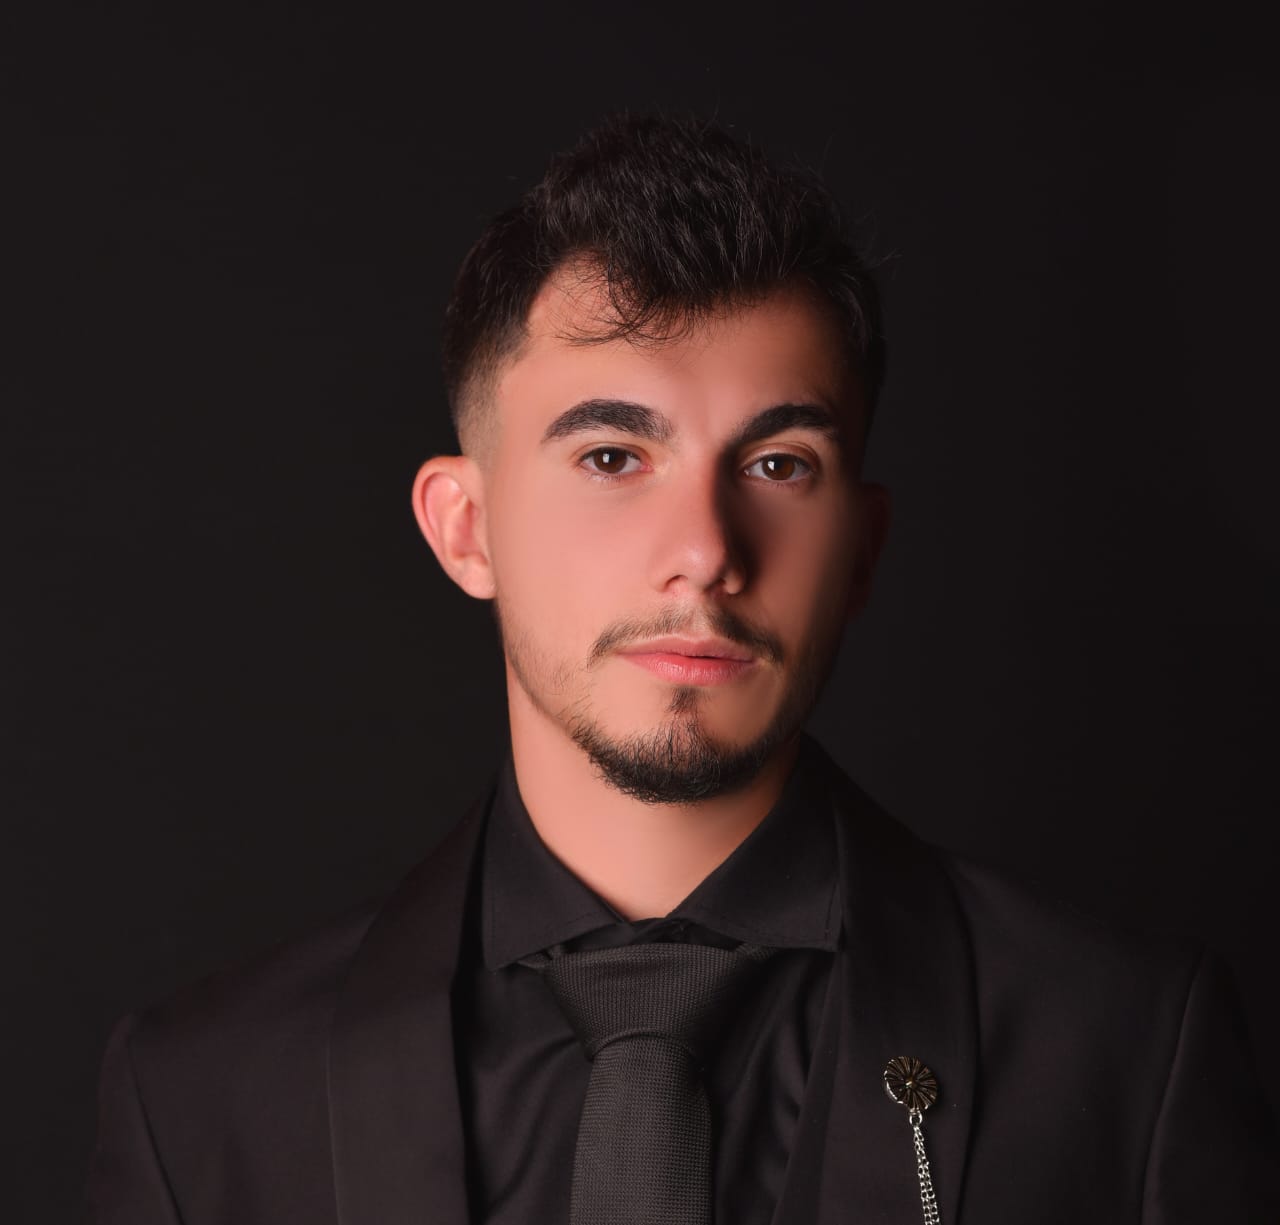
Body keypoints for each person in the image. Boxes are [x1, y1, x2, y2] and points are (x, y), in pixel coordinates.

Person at [85, 113, 1275, 1225]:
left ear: (861, 549)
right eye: (612, 456)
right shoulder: (199, 1106)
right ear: (465, 528)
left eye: (777, 465)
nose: (704, 552)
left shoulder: (1125, 1054)